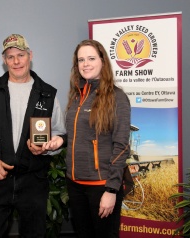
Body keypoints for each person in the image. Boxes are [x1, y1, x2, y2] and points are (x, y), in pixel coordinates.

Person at [0, 33, 66, 237]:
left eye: (21, 55)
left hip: (33, 183)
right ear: (4, 60)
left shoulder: (47, 94)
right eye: (10, 57)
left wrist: (46, 148)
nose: (16, 61)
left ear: (30, 55)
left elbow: (59, 135)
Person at [44, 39, 131, 237]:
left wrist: (111, 190)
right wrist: (61, 140)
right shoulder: (77, 96)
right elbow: (77, 133)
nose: (86, 64)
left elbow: (122, 146)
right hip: (75, 184)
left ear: (102, 61)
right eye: (81, 60)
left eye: (91, 58)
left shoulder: (117, 97)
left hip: (101, 186)